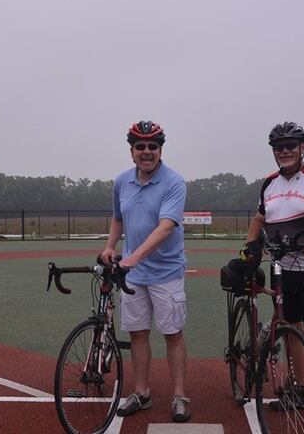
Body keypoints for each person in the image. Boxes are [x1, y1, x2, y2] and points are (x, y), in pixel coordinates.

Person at [244, 121, 304, 432]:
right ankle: (302, 390)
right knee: (290, 326)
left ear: (302, 147)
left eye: (290, 145)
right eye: (278, 147)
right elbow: (259, 217)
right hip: (281, 266)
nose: (284, 151)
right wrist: (249, 245)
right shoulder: (269, 183)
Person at [100, 120, 192, 423]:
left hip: (166, 272)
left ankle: (180, 395)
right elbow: (118, 219)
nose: (147, 152)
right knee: (138, 335)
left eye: (152, 146)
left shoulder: (174, 182)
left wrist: (132, 258)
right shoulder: (121, 182)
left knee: (172, 334)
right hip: (134, 275)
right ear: (132, 151)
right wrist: (110, 248)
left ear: (160, 150)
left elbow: (166, 227)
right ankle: (141, 392)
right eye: (140, 146)